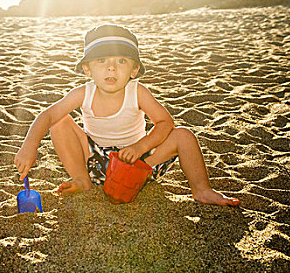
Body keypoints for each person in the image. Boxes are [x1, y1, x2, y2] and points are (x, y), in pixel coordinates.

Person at [14, 24, 239, 206]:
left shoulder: (137, 91)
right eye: (102, 61)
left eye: (121, 61)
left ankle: (201, 189)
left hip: (141, 163)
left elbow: (165, 122)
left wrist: (141, 147)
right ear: (88, 69)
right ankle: (82, 180)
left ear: (133, 70)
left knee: (183, 135)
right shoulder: (83, 93)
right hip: (97, 162)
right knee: (60, 122)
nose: (111, 68)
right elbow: (47, 115)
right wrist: (29, 146)